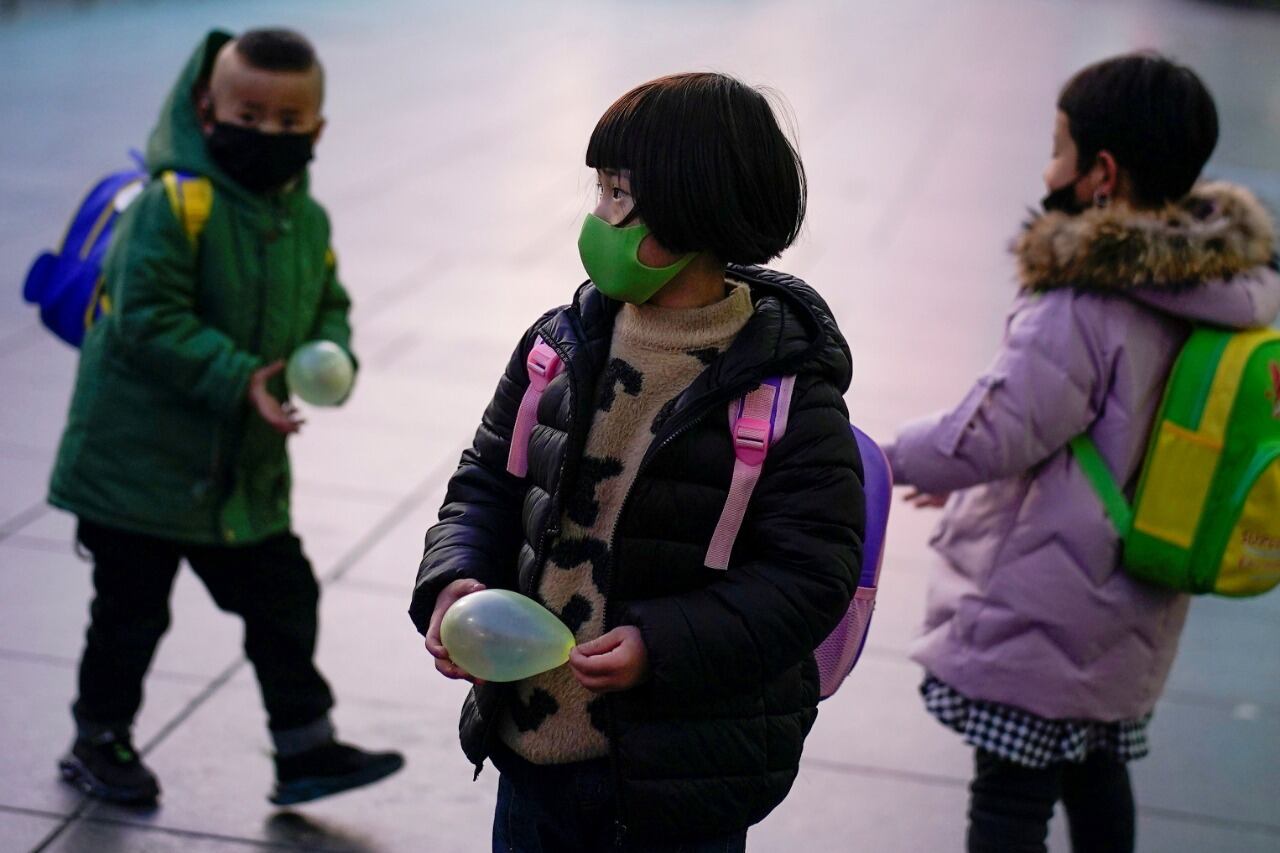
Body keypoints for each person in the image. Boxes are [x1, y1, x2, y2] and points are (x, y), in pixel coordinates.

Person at [409, 72, 864, 851]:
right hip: (529, 748)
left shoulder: (786, 394)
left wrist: (663, 643)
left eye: (619, 196)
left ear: (697, 208)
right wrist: (452, 578)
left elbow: (810, 575)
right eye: (599, 189)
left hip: (674, 775)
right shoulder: (560, 346)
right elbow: (485, 481)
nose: (597, 218)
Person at [884, 53, 1280, 853]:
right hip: (1135, 596)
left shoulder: (1084, 299)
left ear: (1101, 173)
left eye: (1057, 147)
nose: (1046, 166)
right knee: (1097, 770)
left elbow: (996, 428)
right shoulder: (1229, 288)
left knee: (1008, 797)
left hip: (1045, 605)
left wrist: (889, 457)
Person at [50, 28, 403, 807]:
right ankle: (98, 736)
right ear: (207, 110)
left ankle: (304, 746)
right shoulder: (175, 205)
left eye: (287, 122)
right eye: (248, 116)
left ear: (316, 129)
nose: (267, 136)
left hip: (239, 471)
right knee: (130, 612)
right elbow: (145, 318)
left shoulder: (305, 221)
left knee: (284, 597)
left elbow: (330, 304)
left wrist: (330, 356)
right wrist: (241, 376)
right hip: (137, 464)